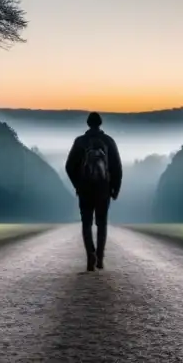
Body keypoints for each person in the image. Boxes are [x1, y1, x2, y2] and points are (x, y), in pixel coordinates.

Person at [65, 111, 122, 271]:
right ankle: (100, 258)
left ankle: (90, 255)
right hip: (104, 189)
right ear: (100, 123)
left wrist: (77, 184)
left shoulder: (80, 141)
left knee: (86, 223)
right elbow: (117, 167)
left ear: (88, 123)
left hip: (85, 189)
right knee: (102, 223)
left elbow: (69, 166)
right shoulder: (108, 141)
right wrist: (115, 189)